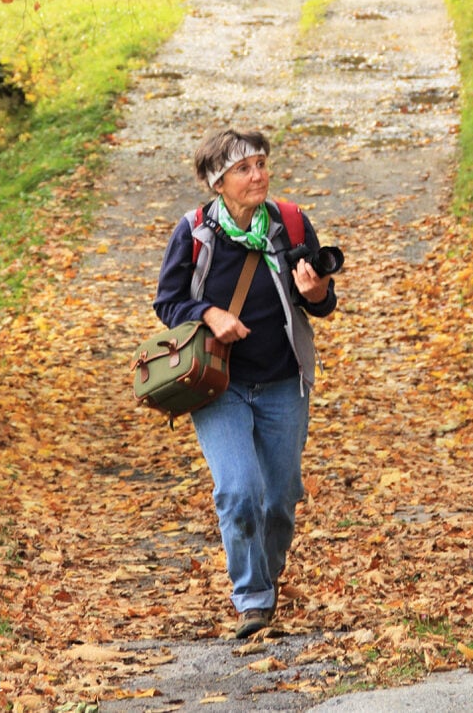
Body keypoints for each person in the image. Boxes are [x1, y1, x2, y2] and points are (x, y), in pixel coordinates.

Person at [153, 127, 338, 639]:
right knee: (239, 491)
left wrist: (318, 290)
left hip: (283, 381)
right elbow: (168, 303)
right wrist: (210, 313)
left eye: (261, 163)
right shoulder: (194, 232)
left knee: (280, 498)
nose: (258, 175)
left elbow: (322, 304)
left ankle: (267, 575)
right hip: (219, 383)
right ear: (218, 182)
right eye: (243, 168)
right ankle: (253, 599)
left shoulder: (291, 223)